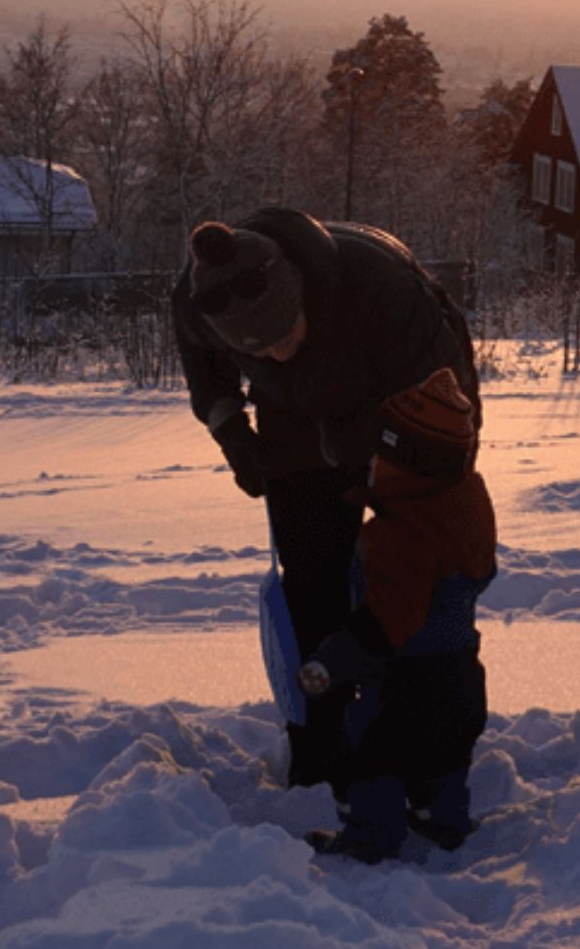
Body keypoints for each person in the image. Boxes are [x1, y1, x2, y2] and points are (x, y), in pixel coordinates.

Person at [172, 207, 480, 795]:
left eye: (287, 336)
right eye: (260, 353)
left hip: (403, 409)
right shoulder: (198, 298)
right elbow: (205, 370)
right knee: (311, 582)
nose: (279, 353)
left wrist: (430, 484)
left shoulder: (380, 290)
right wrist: (232, 431)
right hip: (293, 422)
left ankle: (423, 740)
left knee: (417, 583)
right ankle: (322, 742)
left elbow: (448, 396)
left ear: (302, 298)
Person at [298, 366, 496, 863]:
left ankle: (370, 839)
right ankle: (443, 823)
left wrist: (333, 660)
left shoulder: (395, 537)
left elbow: (392, 619)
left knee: (367, 758)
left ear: (406, 462)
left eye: (381, 454)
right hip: (462, 680)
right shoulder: (466, 505)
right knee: (444, 763)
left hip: (407, 690)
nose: (372, 462)